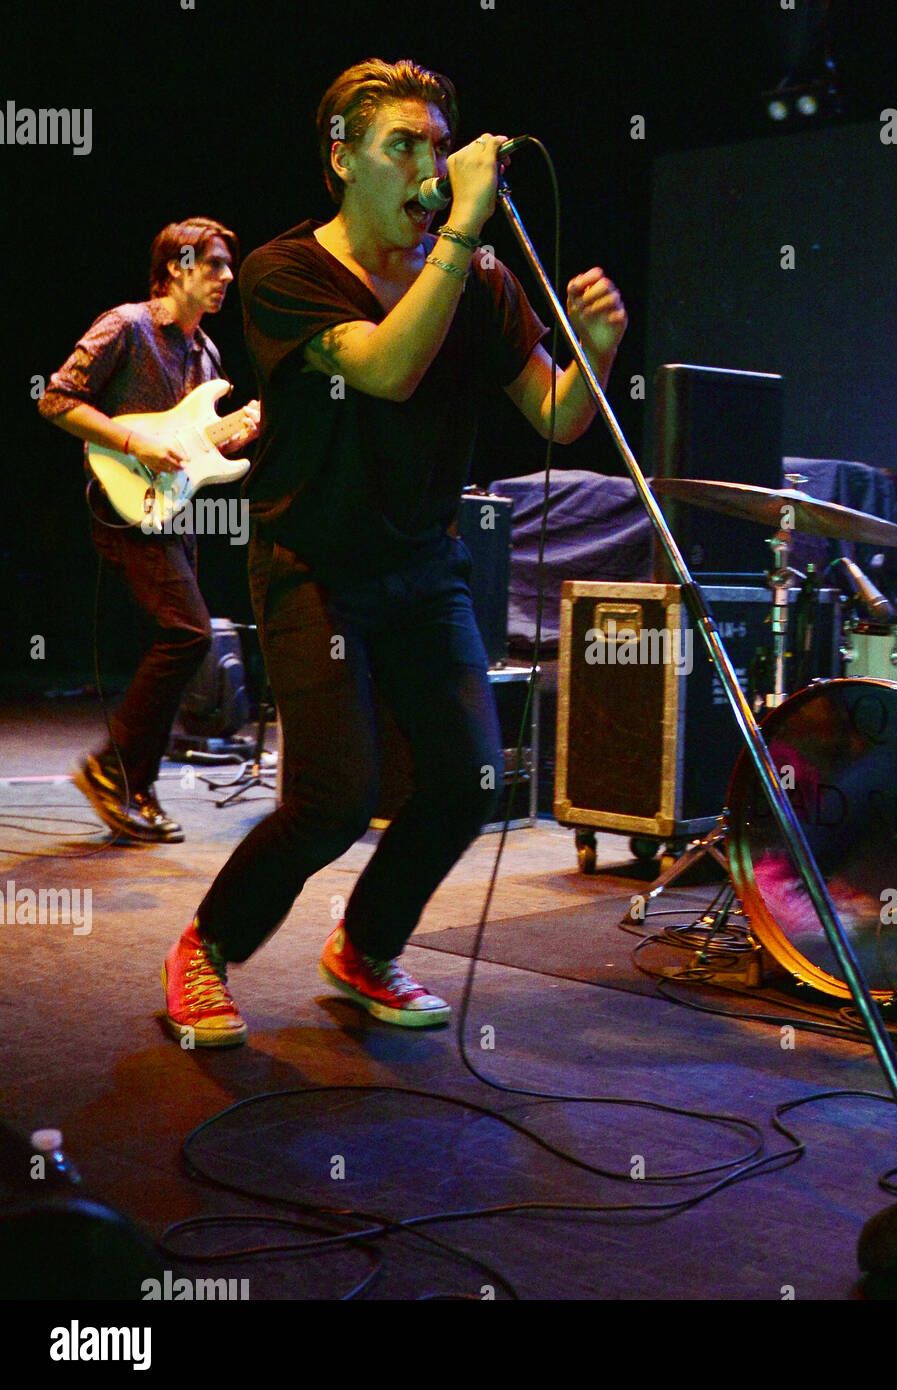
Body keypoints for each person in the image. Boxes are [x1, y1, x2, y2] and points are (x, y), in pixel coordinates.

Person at [162, 59, 627, 1046]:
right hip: (311, 568)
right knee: (335, 798)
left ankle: (363, 946)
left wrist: (592, 349)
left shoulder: (482, 278)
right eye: (401, 146)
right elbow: (383, 367)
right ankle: (204, 948)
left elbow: (555, 408)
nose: (427, 167)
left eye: (435, 144)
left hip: (424, 565)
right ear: (342, 158)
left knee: (469, 784)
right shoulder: (285, 274)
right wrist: (463, 226)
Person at [38, 218, 260, 843]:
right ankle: (110, 771)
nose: (226, 277)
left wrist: (233, 434)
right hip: (122, 503)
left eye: (228, 266)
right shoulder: (128, 324)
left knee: (177, 644)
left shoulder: (207, 353)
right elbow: (56, 399)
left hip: (173, 513)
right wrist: (134, 440)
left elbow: (192, 444)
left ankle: (136, 787)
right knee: (189, 635)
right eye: (213, 264)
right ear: (174, 268)